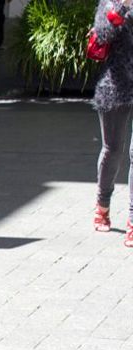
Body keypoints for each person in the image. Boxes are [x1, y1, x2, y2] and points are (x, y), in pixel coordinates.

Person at [91, 0, 133, 248]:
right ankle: (102, 204)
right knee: (112, 150)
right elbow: (102, 34)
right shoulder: (110, 3)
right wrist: (121, 7)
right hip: (115, 87)